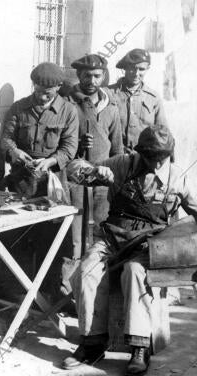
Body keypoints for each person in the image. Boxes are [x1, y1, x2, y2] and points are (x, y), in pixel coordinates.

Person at [62, 125, 197, 376]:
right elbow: (73, 170)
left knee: (135, 273)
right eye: (151, 158)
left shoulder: (177, 178)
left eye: (162, 158)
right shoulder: (122, 164)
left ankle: (140, 347)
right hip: (113, 237)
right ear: (141, 153)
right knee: (86, 270)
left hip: (150, 243)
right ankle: (93, 344)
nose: (156, 164)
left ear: (169, 155)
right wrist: (93, 171)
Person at [0, 62, 78, 300]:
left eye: (49, 92)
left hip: (52, 183)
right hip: (22, 182)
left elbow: (69, 147)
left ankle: (51, 295)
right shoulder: (19, 108)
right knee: (18, 237)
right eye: (39, 91)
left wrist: (50, 161)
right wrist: (16, 153)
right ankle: (17, 294)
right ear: (33, 85)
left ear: (58, 88)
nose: (43, 96)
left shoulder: (69, 111)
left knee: (53, 240)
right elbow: (6, 139)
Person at [62, 54, 123, 259]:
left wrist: (116, 180)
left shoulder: (111, 107)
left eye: (97, 76)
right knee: (75, 234)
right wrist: (79, 144)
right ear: (79, 75)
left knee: (101, 232)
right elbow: (61, 144)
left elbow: (117, 150)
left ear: (103, 76)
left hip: (103, 181)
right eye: (87, 76)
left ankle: (96, 278)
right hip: (77, 179)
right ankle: (71, 282)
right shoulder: (68, 103)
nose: (92, 81)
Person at [108, 49, 168, 153]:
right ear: (125, 68)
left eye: (141, 69)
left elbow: (162, 132)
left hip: (143, 158)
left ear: (147, 69)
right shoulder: (109, 94)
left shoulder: (153, 98)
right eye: (132, 68)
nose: (136, 73)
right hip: (114, 157)